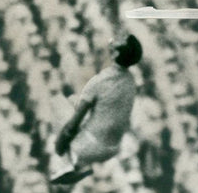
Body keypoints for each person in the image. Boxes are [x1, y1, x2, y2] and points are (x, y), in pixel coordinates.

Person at [51, 34, 142, 185]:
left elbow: (74, 122)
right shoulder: (131, 82)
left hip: (91, 146)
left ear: (116, 55)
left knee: (64, 116)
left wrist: (61, 144)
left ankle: (72, 166)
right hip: (115, 146)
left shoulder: (100, 81)